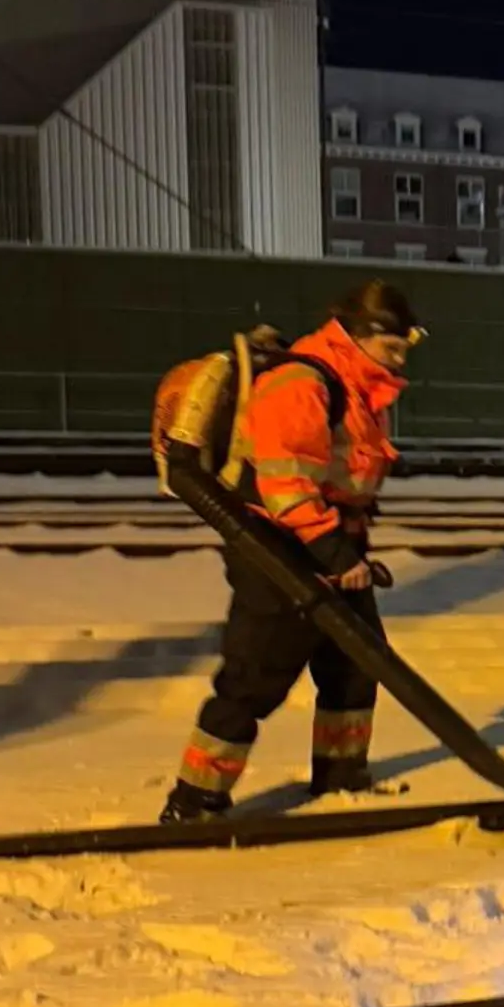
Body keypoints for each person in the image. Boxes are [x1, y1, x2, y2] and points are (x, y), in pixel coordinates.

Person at [160, 280, 421, 823]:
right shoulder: (303, 382)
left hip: (331, 544)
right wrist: (334, 555)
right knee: (254, 677)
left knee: (355, 662)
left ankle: (341, 777)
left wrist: (344, 548)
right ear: (358, 335)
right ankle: (195, 798)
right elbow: (287, 487)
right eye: (391, 347)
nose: (398, 361)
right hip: (276, 550)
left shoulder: (358, 388)